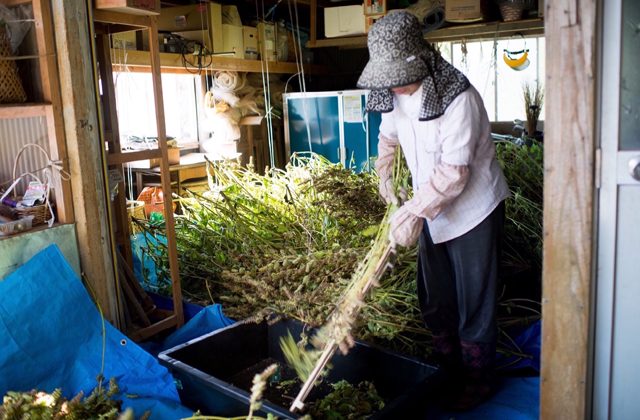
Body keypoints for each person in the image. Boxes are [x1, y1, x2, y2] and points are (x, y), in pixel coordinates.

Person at [357, 11, 510, 411]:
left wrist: (411, 213)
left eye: (398, 76)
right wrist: (384, 172)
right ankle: (447, 374)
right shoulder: (395, 93)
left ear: (418, 60)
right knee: (436, 298)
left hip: (472, 210)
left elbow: (455, 174)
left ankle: (478, 384)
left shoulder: (459, 98)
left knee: (473, 302)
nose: (394, 85)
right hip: (431, 206)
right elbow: (387, 135)